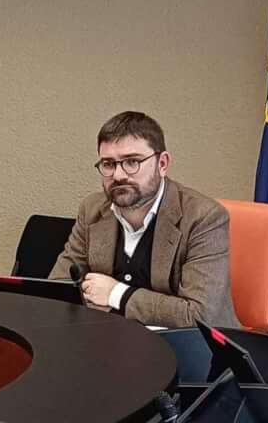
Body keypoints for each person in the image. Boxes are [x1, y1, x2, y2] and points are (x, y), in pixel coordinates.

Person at [50, 111, 238, 328]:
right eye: (108, 164)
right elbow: (58, 288)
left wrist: (117, 294)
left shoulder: (203, 217)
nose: (118, 175)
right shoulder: (92, 209)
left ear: (162, 164)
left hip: (185, 343)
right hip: (108, 338)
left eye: (132, 162)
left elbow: (199, 315)